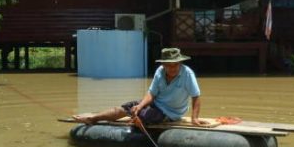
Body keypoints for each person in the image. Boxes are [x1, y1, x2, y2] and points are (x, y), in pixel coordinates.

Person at [73, 47, 202, 126]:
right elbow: (151, 93)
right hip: (156, 104)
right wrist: (140, 106)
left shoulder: (187, 74)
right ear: (163, 64)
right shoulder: (160, 71)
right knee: (127, 107)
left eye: (175, 64)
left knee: (145, 115)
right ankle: (93, 118)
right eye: (169, 65)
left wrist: (194, 118)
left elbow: (196, 96)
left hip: (171, 113)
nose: (172, 68)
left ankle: (136, 118)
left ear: (180, 63)